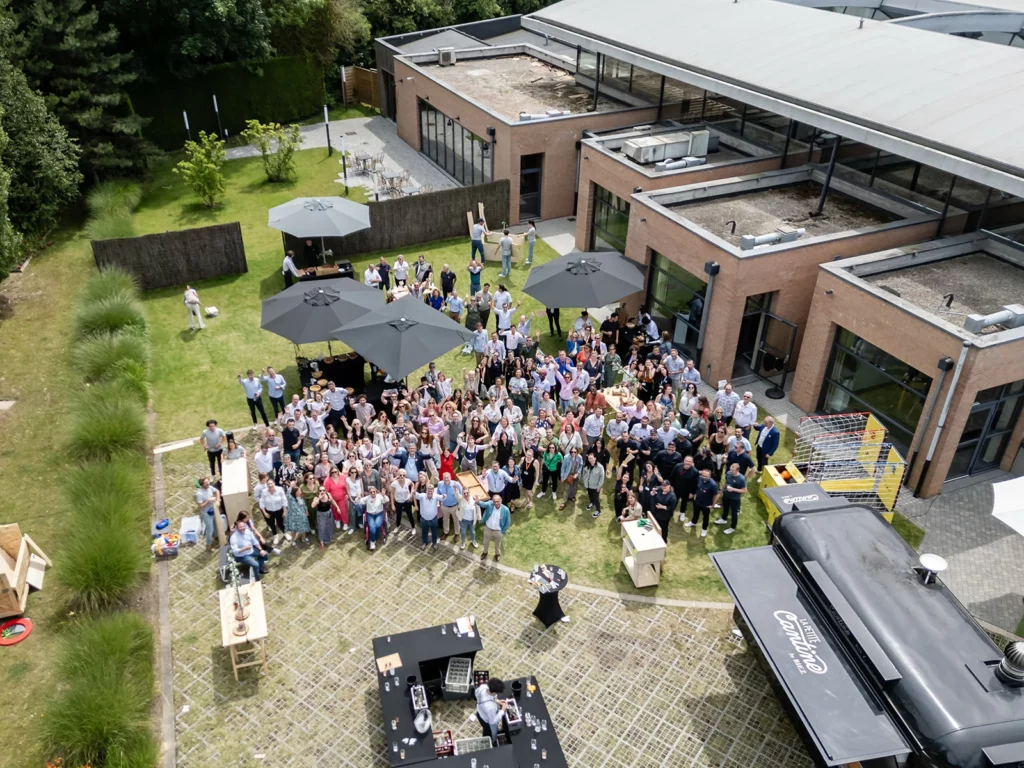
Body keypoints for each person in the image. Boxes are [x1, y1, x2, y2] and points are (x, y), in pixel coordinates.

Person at [230, 516, 269, 580]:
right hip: (242, 556)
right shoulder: (233, 537)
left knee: (264, 554)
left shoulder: (248, 531)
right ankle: (257, 580)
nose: (242, 528)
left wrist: (261, 549)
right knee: (255, 565)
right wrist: (245, 548)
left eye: (243, 526)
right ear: (236, 527)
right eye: (240, 527)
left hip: (251, 551)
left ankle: (260, 569)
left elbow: (254, 541)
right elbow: (235, 551)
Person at [685, 467, 719, 538]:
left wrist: (712, 505)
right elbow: (697, 487)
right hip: (697, 501)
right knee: (695, 513)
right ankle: (693, 522)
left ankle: (704, 529)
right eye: (703, 475)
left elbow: (716, 495)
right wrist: (695, 494)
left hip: (706, 504)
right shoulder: (699, 478)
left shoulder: (713, 485)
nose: (703, 477)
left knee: (705, 517)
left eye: (706, 476)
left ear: (710, 476)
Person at [714, 462, 746, 534]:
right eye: (731, 469)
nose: (731, 471)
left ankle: (732, 527)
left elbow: (744, 490)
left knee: (734, 513)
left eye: (733, 470)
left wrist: (733, 489)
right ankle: (723, 519)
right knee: (725, 508)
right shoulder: (728, 473)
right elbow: (726, 483)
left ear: (737, 470)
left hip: (735, 499)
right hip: (726, 495)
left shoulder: (741, 479)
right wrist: (721, 492)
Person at [478, 493, 511, 561]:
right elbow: (483, 504)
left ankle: (497, 554)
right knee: (485, 542)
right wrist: (477, 501)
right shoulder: (490, 504)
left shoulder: (505, 510)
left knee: (497, 544)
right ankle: (485, 552)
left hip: (498, 531)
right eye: (494, 501)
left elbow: (508, 522)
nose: (496, 503)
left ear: (501, 500)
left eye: (497, 501)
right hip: (488, 529)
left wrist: (503, 531)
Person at [475, 678, 507, 746]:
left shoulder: (483, 687)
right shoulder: (491, 707)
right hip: (486, 720)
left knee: (486, 730)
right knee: (490, 733)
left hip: (479, 712)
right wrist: (502, 710)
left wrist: (496, 701)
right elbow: (493, 721)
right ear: (494, 692)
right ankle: (491, 743)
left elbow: (476, 694)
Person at [258, 478, 288, 545]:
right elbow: (261, 502)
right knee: (271, 524)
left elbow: (284, 500)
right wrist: (264, 512)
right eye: (268, 484)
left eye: (271, 483)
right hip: (269, 511)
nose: (270, 485)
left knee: (280, 523)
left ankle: (285, 533)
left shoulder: (280, 489)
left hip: (279, 510)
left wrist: (284, 510)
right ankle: (275, 535)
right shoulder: (264, 492)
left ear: (274, 483)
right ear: (267, 485)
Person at [195, 476, 222, 551]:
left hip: (213, 510)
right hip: (206, 513)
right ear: (202, 484)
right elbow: (200, 506)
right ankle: (208, 545)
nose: (207, 483)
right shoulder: (199, 494)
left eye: (208, 481)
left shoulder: (209, 487)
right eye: (205, 482)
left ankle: (216, 537)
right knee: (210, 530)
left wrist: (218, 500)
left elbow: (217, 491)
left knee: (216, 525)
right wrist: (208, 500)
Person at [650, 477, 677, 543]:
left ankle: (664, 541)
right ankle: (656, 538)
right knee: (656, 526)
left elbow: (672, 507)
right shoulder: (660, 489)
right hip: (656, 512)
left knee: (664, 528)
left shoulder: (672, 496)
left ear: (669, 486)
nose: (664, 487)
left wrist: (662, 507)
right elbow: (655, 488)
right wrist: (653, 491)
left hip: (665, 515)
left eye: (665, 486)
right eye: (663, 485)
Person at [438, 473, 463, 542]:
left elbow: (461, 495)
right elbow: (438, 494)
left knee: (456, 520)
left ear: (450, 477)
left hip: (454, 506)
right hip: (444, 506)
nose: (446, 479)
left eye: (447, 477)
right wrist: (440, 503)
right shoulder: (440, 484)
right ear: (442, 478)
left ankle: (457, 534)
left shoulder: (456, 484)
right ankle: (445, 533)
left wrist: (460, 505)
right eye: (444, 477)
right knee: (445, 520)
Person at [415, 484, 441, 551]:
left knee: (434, 532)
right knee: (424, 532)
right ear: (426, 491)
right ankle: (424, 543)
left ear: (433, 491)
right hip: (424, 519)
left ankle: (434, 543)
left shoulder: (435, 496)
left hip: (433, 519)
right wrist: (414, 492)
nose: (430, 492)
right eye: (428, 491)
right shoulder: (422, 496)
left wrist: (444, 496)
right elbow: (417, 495)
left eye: (431, 491)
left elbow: (442, 497)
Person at [581, 452, 606, 518]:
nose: (590, 460)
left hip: (595, 487)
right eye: (589, 458)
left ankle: (598, 511)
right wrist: (585, 481)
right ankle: (592, 503)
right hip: (588, 485)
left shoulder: (600, 467)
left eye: (591, 458)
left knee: (596, 499)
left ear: (595, 458)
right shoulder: (587, 466)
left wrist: (599, 486)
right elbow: (584, 474)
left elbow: (602, 478)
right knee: (590, 495)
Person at [558, 446, 583, 511]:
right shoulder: (566, 457)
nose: (573, 453)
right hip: (568, 474)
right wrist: (562, 476)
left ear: (577, 452)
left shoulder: (579, 457)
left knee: (575, 487)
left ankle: (572, 496)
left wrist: (577, 474)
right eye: (572, 452)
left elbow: (580, 466)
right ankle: (564, 502)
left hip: (576, 474)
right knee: (566, 488)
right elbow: (563, 467)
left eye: (575, 452)